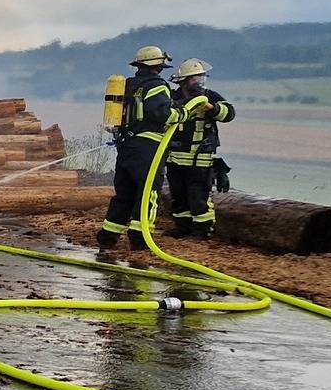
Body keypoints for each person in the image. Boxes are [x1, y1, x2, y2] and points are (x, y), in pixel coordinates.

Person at [99, 45, 174, 250]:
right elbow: (162, 114)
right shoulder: (157, 85)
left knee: (124, 192)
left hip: (126, 146)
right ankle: (141, 238)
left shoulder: (128, 84)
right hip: (147, 148)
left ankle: (108, 236)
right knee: (148, 191)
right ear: (159, 66)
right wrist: (182, 113)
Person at [166, 58, 235, 238]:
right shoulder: (173, 98)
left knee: (198, 195)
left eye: (201, 78)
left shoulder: (210, 96)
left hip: (200, 158)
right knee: (178, 195)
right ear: (183, 81)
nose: (199, 82)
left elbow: (229, 113)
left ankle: (202, 230)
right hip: (174, 157)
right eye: (195, 78)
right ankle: (182, 227)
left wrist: (212, 109)